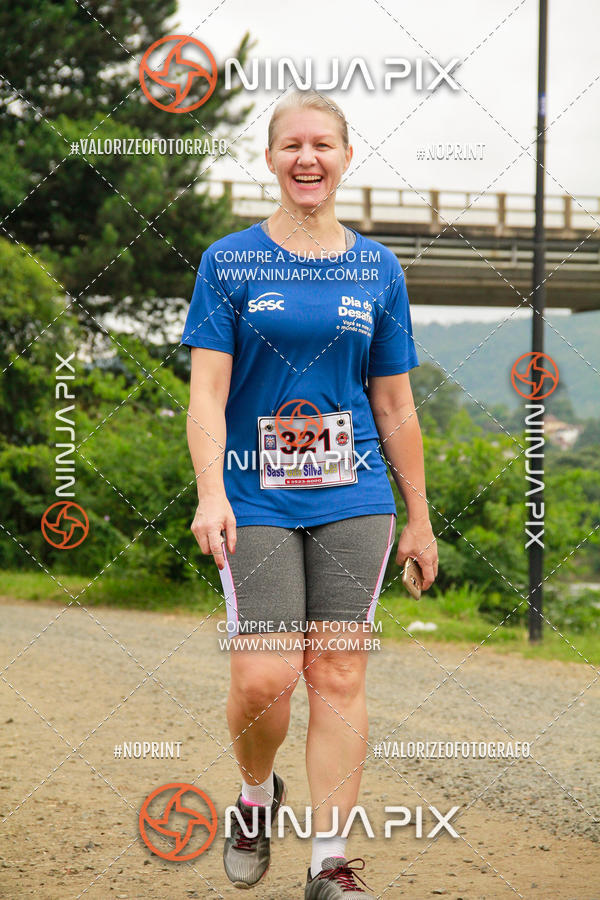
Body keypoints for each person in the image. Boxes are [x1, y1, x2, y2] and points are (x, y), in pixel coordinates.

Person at [182, 90, 438, 898]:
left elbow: (394, 404)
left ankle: (329, 862)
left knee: (339, 671)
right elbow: (206, 394)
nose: (307, 158)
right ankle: (256, 797)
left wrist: (421, 518)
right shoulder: (229, 262)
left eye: (323, 144)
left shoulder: (378, 269)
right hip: (253, 497)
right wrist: (211, 494)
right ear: (270, 159)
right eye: (291, 145)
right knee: (264, 679)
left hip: (353, 495)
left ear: (346, 157)